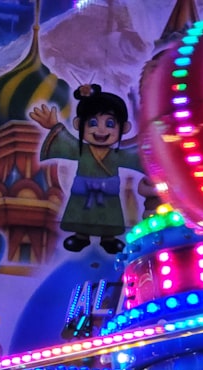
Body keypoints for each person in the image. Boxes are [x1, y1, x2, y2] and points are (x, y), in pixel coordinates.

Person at [30, 84, 156, 255]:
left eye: (110, 123)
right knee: (82, 215)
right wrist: (54, 126)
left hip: (108, 196)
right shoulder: (80, 150)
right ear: (78, 124)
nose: (101, 130)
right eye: (93, 123)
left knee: (109, 216)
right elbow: (64, 142)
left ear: (124, 128)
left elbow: (137, 157)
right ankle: (81, 236)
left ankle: (108, 239)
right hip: (83, 194)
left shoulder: (118, 155)